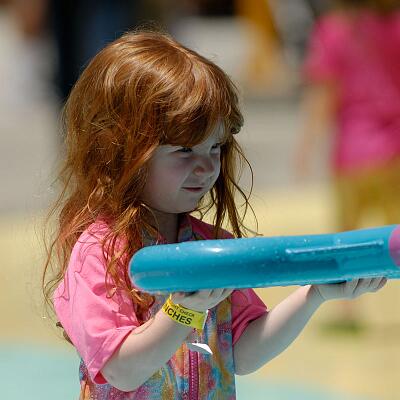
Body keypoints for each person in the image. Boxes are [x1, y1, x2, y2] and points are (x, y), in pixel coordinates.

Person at [42, 30, 387, 399]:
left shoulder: (211, 247)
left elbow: (243, 353)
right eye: (185, 150)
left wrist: (314, 293)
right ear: (121, 150)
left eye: (216, 147)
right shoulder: (101, 252)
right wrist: (184, 310)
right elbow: (121, 370)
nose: (207, 166)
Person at [295, 0, 400, 332]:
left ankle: (347, 310)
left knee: (349, 235)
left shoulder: (333, 31)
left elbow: (323, 93)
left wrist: (306, 145)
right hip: (395, 150)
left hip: (354, 151)